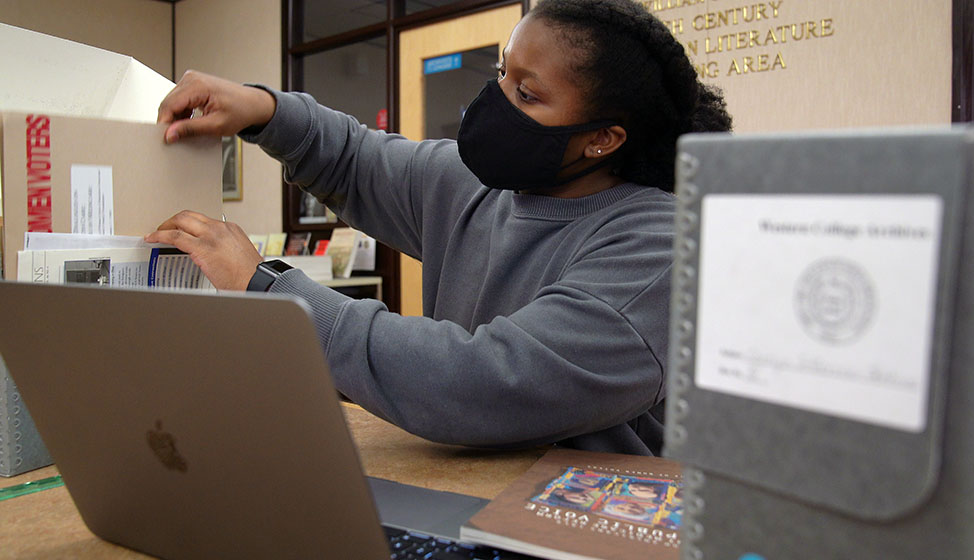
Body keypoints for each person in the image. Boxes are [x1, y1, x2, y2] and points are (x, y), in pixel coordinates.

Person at [146, 0, 732, 455]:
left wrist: (271, 287)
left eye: (526, 94)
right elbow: (357, 160)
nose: (494, 100)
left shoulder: (658, 250)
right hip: (459, 497)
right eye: (503, 72)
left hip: (579, 531)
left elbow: (484, 384)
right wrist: (264, 111)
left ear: (602, 138)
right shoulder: (475, 184)